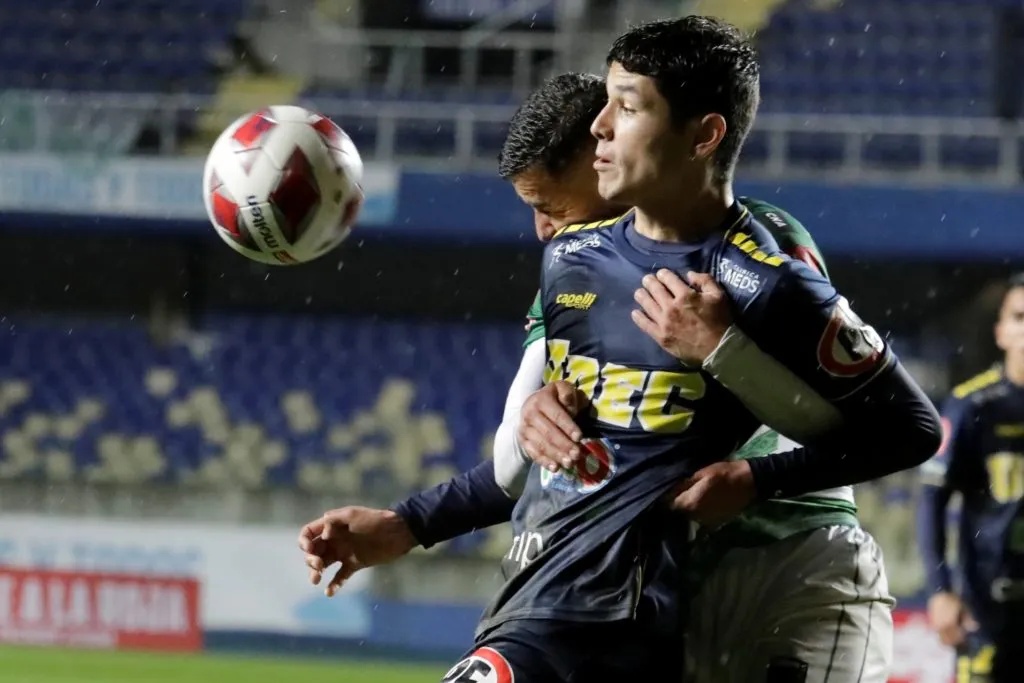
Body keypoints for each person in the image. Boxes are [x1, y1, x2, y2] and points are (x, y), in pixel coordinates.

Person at [303, 18, 940, 682]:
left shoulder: (760, 252)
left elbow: (873, 423)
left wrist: (723, 367)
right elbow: (538, 459)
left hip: (793, 550)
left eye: (551, 203)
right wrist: (451, 491)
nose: (542, 227)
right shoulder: (578, 264)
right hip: (671, 581)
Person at [918, 274, 1024, 683]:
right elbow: (932, 500)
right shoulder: (972, 407)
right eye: (1019, 316)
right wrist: (940, 590)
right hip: (988, 610)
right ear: (1001, 332)